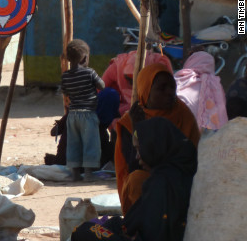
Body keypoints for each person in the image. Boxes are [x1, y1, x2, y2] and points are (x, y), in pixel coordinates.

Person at [73, 117, 197, 241]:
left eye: (140, 149)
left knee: (82, 231)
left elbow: (154, 233)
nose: (137, 156)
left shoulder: (161, 183)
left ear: (154, 147)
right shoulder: (184, 173)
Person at [114, 63, 200, 214]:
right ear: (146, 90)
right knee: (136, 181)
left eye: (172, 87)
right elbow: (134, 165)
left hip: (181, 182)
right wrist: (138, 128)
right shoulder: (131, 121)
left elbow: (193, 159)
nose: (170, 93)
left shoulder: (183, 114)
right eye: (162, 88)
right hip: (151, 184)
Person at [60, 39, 105, 181]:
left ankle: (74, 174)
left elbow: (65, 92)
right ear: (85, 58)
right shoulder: (90, 72)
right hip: (88, 114)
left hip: (72, 115)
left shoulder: (65, 76)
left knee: (73, 144)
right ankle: (89, 174)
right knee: (90, 143)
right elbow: (102, 85)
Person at [101, 50, 172, 124]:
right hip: (117, 108)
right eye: (130, 78)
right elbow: (99, 94)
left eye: (138, 78)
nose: (134, 83)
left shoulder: (161, 66)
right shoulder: (117, 67)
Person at [174, 51, 228, 132]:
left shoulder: (180, 79)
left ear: (190, 62)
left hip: (180, 131)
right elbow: (221, 113)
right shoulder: (215, 85)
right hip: (210, 137)